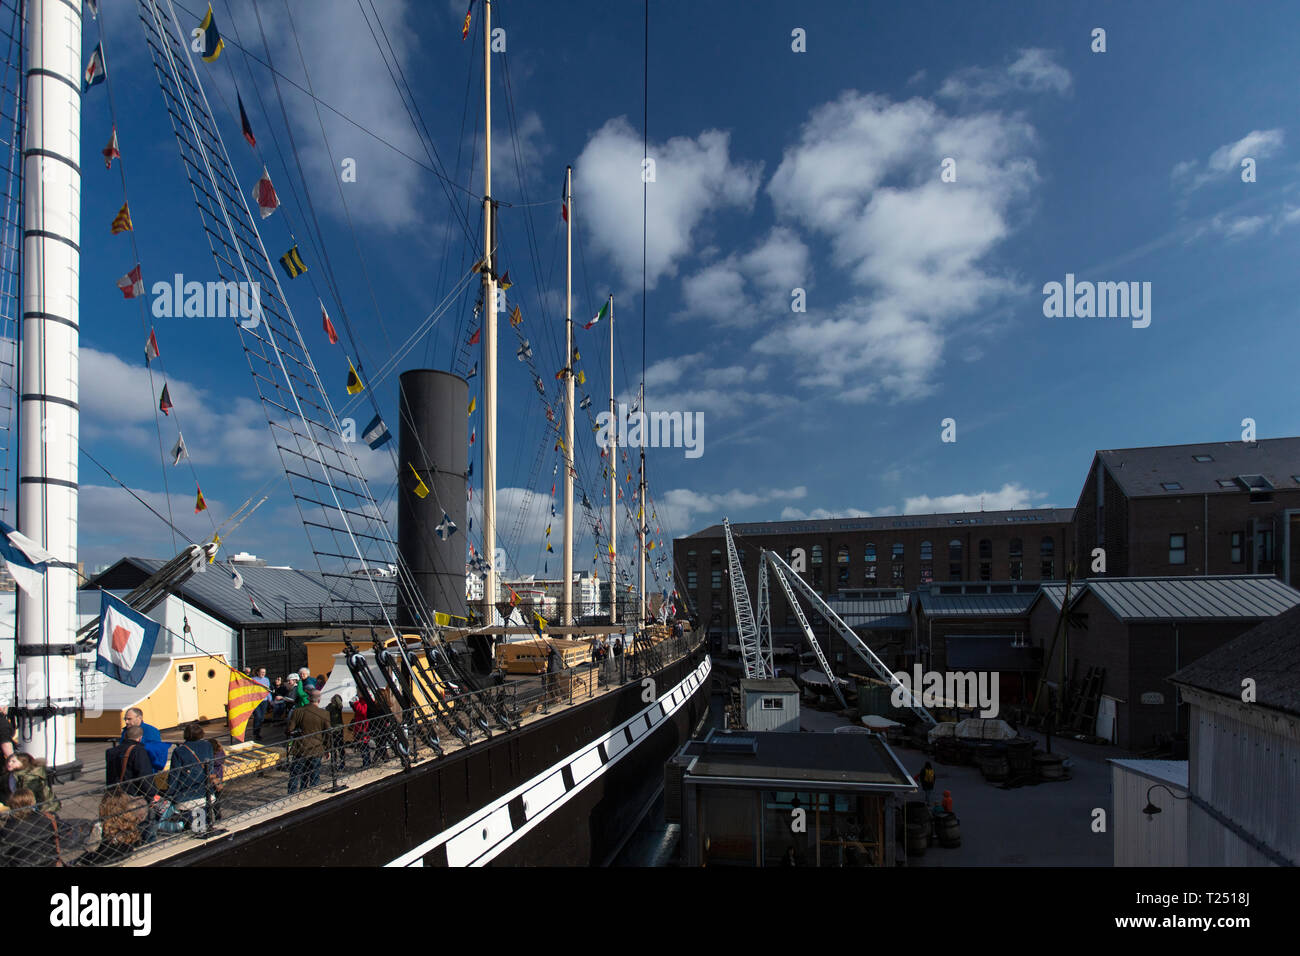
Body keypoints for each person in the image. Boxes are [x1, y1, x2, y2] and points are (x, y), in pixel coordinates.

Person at [75, 790, 147, 866]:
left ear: (104, 807)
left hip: (103, 862)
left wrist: (86, 839)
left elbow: (91, 848)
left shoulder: (100, 826)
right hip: (126, 856)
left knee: (78, 861)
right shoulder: (130, 822)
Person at [167, 722, 214, 833]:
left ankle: (197, 832)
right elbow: (210, 766)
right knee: (203, 821)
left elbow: (174, 775)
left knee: (191, 826)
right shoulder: (207, 745)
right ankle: (203, 831)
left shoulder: (179, 751)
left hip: (186, 794)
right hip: (205, 790)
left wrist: (171, 794)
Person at [0, 788, 61, 866]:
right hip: (49, 861)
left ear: (11, 805)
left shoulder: (7, 829)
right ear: (32, 802)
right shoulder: (47, 818)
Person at [287, 688, 329, 793]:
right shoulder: (324, 714)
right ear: (319, 700)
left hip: (300, 748)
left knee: (295, 775)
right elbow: (328, 733)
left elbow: (289, 730)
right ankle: (312, 795)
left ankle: (291, 795)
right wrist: (327, 748)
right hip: (316, 748)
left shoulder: (297, 711)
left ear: (308, 698)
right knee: (314, 774)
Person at [106, 725, 159, 799]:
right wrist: (151, 794)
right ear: (140, 738)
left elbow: (109, 775)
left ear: (125, 736)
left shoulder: (111, 751)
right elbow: (144, 775)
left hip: (115, 794)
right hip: (133, 794)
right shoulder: (138, 751)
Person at [119, 707, 169, 772]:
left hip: (145, 770)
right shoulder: (125, 731)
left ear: (139, 718)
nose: (126, 722)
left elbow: (155, 753)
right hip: (127, 769)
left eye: (129, 719)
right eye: (125, 719)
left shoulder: (151, 731)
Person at [349, 695, 371, 768]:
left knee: (364, 745)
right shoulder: (361, 701)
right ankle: (366, 762)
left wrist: (355, 703)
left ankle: (367, 762)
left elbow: (362, 711)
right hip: (359, 726)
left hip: (362, 727)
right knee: (362, 746)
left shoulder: (364, 701)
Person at [326, 694, 346, 772]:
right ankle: (335, 764)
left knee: (339, 748)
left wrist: (336, 699)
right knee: (334, 748)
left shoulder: (338, 707)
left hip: (338, 729)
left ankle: (340, 763)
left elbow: (340, 705)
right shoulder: (330, 707)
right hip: (334, 729)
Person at [250, 667, 271, 741]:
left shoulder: (266, 680)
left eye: (264, 672)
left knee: (261, 718)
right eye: (261, 672)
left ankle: (258, 732)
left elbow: (267, 690)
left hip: (264, 701)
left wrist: (270, 699)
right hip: (256, 701)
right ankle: (256, 734)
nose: (263, 674)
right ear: (258, 672)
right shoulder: (253, 680)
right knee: (257, 717)